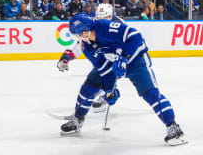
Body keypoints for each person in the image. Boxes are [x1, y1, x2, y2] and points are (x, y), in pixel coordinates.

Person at [58, 13, 187, 146]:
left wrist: (124, 57)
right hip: (114, 64)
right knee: (90, 85)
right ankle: (77, 120)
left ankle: (173, 128)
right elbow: (103, 69)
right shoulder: (88, 47)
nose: (78, 38)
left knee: (150, 93)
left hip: (136, 61)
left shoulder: (104, 26)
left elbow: (135, 36)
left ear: (85, 30)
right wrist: (109, 90)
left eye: (78, 34)